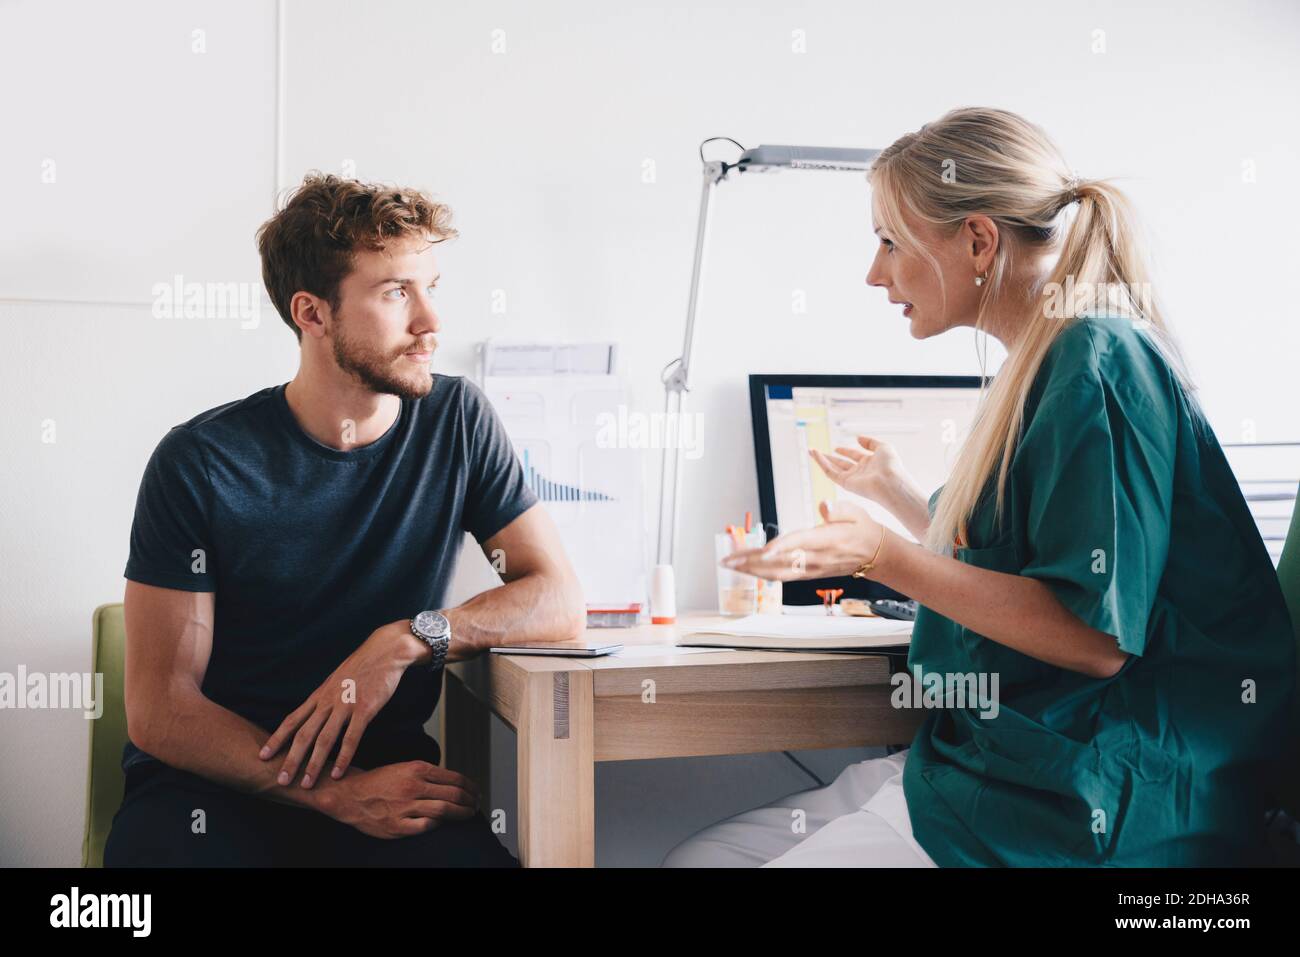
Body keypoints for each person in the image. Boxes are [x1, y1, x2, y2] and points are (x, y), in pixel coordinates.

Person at [664, 107, 1297, 867]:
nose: (875, 272)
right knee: (702, 858)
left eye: (890, 241)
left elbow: (1093, 637)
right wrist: (898, 496)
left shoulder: (1096, 359)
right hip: (1004, 764)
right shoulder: (1043, 363)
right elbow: (1029, 550)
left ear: (978, 240)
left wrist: (881, 555)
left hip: (1098, 793)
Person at [105, 173, 587, 867]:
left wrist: (407, 639)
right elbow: (161, 708)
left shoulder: (457, 420)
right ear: (313, 313)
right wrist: (334, 792)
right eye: (397, 292)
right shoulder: (201, 461)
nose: (431, 321)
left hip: (390, 786)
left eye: (431, 287)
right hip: (212, 792)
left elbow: (560, 598)